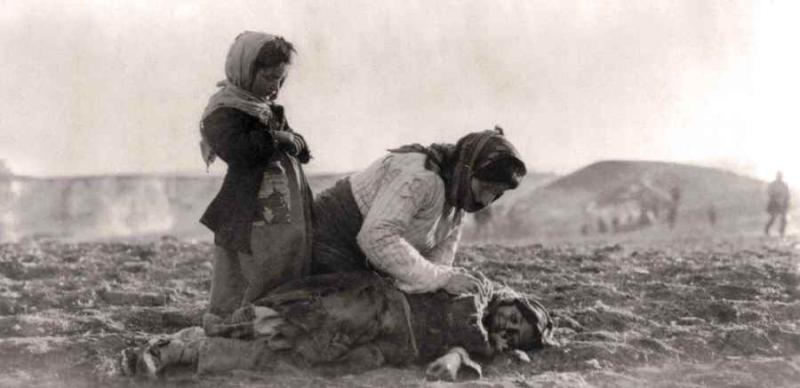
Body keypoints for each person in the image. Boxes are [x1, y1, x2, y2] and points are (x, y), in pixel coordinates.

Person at [119, 271, 554, 381]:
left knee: (298, 363)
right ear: (508, 301)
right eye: (514, 319)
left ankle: (184, 352)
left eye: (517, 334)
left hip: (386, 348)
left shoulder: (483, 343)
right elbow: (465, 319)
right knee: (295, 325)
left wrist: (462, 360)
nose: (508, 328)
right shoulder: (477, 291)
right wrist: (481, 346)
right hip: (378, 308)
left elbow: (461, 353)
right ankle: (178, 345)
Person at [311, 126, 526, 295]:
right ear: (467, 168)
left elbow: (437, 262)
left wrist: (447, 281)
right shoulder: (421, 176)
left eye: (497, 193)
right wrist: (442, 279)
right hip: (330, 236)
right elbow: (376, 237)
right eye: (486, 187)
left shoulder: (456, 202)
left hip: (366, 255)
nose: (486, 199)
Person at [198, 31, 314, 326]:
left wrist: (297, 143)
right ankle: (232, 320)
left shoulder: (269, 110)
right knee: (245, 264)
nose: (275, 88)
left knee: (285, 255)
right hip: (247, 205)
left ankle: (274, 312)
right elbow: (237, 150)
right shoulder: (223, 112)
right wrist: (276, 138)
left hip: (285, 205)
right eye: (268, 79)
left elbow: (297, 145)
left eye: (280, 80)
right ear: (245, 70)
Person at [765, 171, 790, 237]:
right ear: (776, 176)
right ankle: (766, 230)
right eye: (778, 176)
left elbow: (787, 195)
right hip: (774, 203)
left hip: (782, 203)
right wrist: (774, 198)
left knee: (784, 218)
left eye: (780, 176)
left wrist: (786, 202)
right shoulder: (773, 184)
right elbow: (769, 193)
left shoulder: (784, 185)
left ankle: (782, 232)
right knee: (773, 218)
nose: (779, 177)